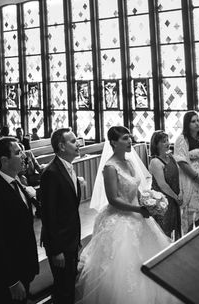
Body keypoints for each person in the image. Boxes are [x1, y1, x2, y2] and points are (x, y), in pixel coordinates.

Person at [77, 126, 179, 304]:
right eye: (125, 138)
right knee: (124, 265)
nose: (129, 141)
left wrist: (148, 200)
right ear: (114, 143)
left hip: (138, 213)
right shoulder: (110, 167)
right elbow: (114, 199)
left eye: (130, 137)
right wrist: (139, 210)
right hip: (120, 218)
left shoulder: (130, 163)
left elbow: (136, 189)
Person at [0, 138, 39, 303]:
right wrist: (12, 280)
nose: (24, 156)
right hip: (9, 275)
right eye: (18, 153)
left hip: (23, 265)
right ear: (4, 161)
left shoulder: (16, 181)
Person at [40, 128, 83, 304]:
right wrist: (56, 250)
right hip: (59, 243)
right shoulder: (51, 173)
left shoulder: (69, 168)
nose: (78, 143)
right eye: (73, 141)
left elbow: (70, 210)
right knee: (63, 288)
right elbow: (48, 215)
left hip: (71, 238)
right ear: (61, 146)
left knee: (69, 283)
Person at [148, 131, 182, 240]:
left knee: (174, 226)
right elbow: (162, 185)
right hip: (163, 201)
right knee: (163, 230)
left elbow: (178, 175)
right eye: (163, 141)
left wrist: (180, 192)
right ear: (156, 144)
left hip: (174, 198)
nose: (167, 143)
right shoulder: (155, 162)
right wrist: (176, 197)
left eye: (167, 140)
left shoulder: (170, 157)